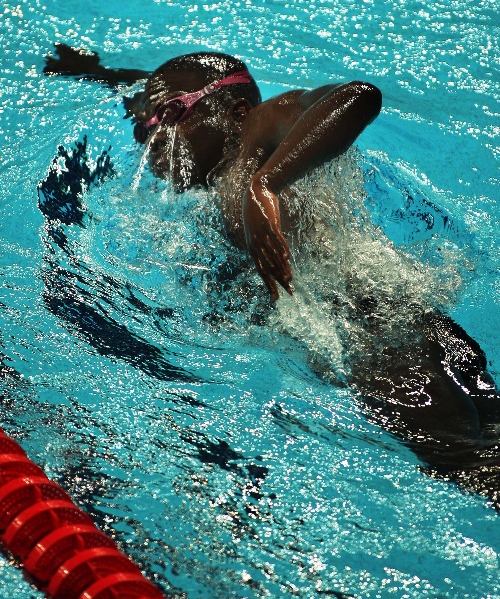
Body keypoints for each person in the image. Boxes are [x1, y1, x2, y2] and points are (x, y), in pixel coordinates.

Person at [43, 44, 500, 506]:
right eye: (145, 127)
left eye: (168, 115)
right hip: (394, 319)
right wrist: (95, 72)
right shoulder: (211, 161)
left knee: (472, 464)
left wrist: (267, 183)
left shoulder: (257, 134)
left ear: (236, 110)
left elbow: (358, 97)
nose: (152, 136)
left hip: (373, 339)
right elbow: (159, 100)